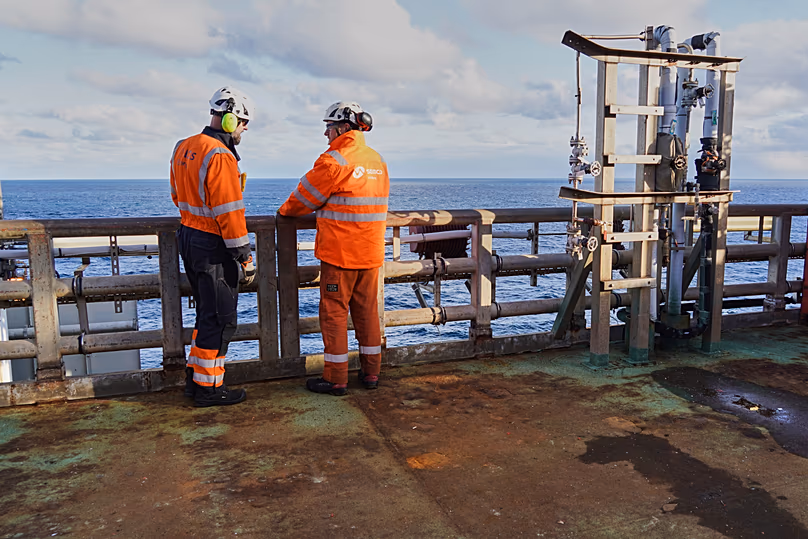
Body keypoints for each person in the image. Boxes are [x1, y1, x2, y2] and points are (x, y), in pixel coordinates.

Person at [279, 101, 390, 396]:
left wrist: (284, 212)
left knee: (334, 315)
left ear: (342, 128)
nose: (325, 133)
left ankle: (336, 378)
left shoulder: (334, 160)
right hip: (370, 253)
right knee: (367, 313)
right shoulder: (377, 161)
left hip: (340, 255)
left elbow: (301, 200)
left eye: (328, 127)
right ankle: (371, 373)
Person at [169, 86, 256, 407]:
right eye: (244, 123)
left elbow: (176, 196)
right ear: (231, 120)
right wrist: (244, 256)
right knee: (221, 319)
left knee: (207, 314)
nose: (244, 130)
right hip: (213, 245)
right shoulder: (219, 155)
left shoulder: (183, 146)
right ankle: (209, 389)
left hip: (188, 236)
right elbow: (229, 213)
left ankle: (195, 381)